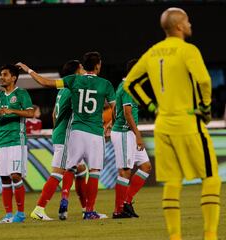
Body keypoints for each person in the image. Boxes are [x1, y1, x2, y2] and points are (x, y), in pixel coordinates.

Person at [124, 8, 221, 240]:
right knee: (211, 177)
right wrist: (205, 108)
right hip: (188, 121)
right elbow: (204, 80)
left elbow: (131, 84)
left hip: (163, 123)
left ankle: (175, 236)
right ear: (179, 26)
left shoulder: (152, 51)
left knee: (172, 181)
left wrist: (152, 107)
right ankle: (209, 235)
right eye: (187, 20)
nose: (190, 24)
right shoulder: (188, 50)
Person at [17, 51, 116, 220]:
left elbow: (45, 83)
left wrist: (29, 70)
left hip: (75, 132)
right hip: (93, 132)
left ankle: (70, 200)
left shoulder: (71, 82)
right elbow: (115, 108)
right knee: (92, 172)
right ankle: (87, 210)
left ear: (84, 67)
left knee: (74, 168)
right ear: (98, 65)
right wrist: (110, 124)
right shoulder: (105, 84)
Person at [29, 60, 90, 221]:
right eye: (82, 68)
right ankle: (39, 208)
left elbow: (54, 115)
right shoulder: (73, 89)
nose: (84, 70)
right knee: (58, 173)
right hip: (66, 136)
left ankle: (86, 210)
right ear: (76, 72)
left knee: (81, 169)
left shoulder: (62, 90)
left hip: (61, 133)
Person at [0, 64, 34, 223]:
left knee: (15, 175)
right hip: (1, 141)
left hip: (16, 140)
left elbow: (31, 112)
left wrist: (12, 111)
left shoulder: (21, 94)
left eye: (5, 74)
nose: (2, 77)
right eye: (1, 74)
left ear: (13, 77)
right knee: (4, 178)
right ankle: (8, 215)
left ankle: (20, 214)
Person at [111, 59, 152, 219]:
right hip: (124, 133)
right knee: (125, 171)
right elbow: (127, 113)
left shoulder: (128, 86)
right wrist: (138, 135)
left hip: (127, 132)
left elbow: (116, 107)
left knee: (146, 166)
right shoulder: (127, 87)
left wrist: (111, 122)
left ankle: (126, 202)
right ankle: (118, 211)